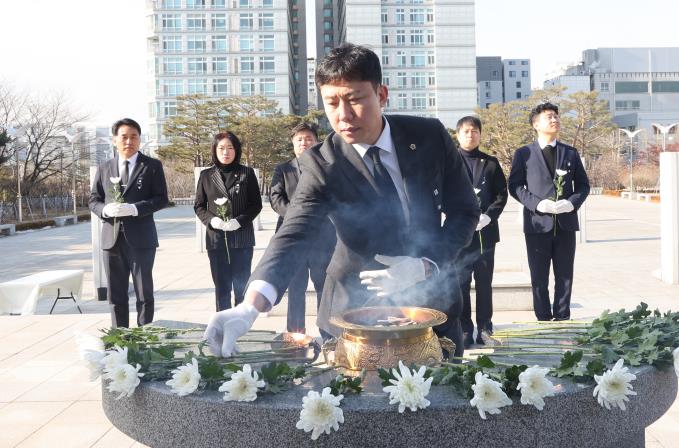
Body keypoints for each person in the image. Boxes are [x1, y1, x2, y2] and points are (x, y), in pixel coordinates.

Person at [204, 43, 479, 358]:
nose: (343, 115)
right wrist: (249, 307)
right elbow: (294, 233)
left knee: (441, 401)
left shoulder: (429, 136)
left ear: (382, 95)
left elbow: (464, 211)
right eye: (331, 103)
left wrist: (425, 265)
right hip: (352, 315)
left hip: (431, 310)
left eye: (355, 100)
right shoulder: (322, 163)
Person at [508, 103, 590, 321]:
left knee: (565, 276)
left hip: (565, 224)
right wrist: (537, 204)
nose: (554, 120)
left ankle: (563, 318)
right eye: (548, 117)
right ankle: (543, 319)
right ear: (536, 124)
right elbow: (514, 186)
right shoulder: (523, 153)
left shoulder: (570, 152)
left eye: (556, 116)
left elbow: (583, 186)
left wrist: (572, 203)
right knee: (539, 277)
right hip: (537, 223)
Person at [89, 118, 168, 328]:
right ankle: (120, 341)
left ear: (140, 139)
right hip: (111, 241)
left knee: (144, 294)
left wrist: (135, 209)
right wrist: (105, 210)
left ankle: (145, 339)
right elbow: (93, 200)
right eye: (124, 137)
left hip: (141, 239)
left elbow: (161, 199)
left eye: (134, 137)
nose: (129, 141)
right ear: (114, 140)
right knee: (116, 296)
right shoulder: (105, 167)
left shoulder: (151, 166)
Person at [270, 122, 336, 335]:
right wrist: (298, 216)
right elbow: (275, 198)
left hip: (322, 238)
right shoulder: (284, 169)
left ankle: (326, 335)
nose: (304, 142)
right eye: (299, 139)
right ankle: (296, 335)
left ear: (316, 141)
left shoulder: (327, 168)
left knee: (323, 288)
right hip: (293, 238)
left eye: (308, 138)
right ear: (293, 143)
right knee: (295, 288)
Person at [454, 116, 508, 346]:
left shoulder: (491, 163)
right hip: (459, 235)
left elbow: (501, 194)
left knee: (485, 283)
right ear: (458, 134)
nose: (470, 135)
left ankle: (485, 328)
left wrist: (488, 216)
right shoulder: (449, 162)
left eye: (475, 131)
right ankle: (464, 328)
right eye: (466, 131)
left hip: (486, 233)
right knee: (462, 282)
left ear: (480, 134)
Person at [194, 131, 262, 312]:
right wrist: (212, 220)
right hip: (216, 239)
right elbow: (199, 206)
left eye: (230, 148)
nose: (226, 152)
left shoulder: (246, 173)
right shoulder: (206, 175)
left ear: (236, 150)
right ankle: (222, 325)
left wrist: (239, 221)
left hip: (241, 238)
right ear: (215, 150)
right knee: (221, 286)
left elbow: (256, 204)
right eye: (221, 148)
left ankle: (241, 323)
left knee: (242, 286)